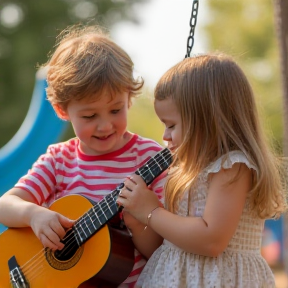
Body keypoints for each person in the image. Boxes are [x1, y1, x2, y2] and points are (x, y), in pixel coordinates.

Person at [0, 24, 166, 288]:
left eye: (116, 110)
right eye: (90, 116)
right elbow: (5, 206)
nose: (105, 125)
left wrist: (139, 218)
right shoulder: (59, 160)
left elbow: (159, 253)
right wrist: (34, 215)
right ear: (62, 110)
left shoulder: (148, 158)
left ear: (129, 99)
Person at [117, 53, 287, 288]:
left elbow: (211, 240)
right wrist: (139, 223)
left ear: (207, 119)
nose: (165, 136)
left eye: (172, 125)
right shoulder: (183, 173)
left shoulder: (232, 167)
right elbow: (168, 246)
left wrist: (152, 212)